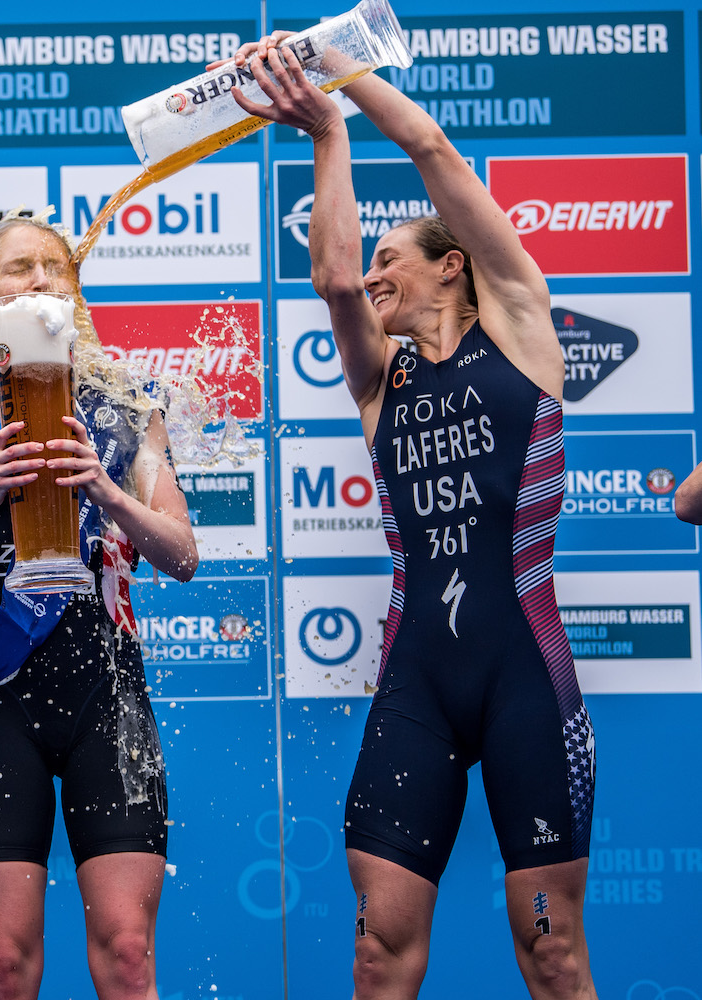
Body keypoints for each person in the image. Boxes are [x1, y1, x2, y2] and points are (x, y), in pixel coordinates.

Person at [227, 37, 599, 999]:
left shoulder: (519, 320)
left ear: (454, 270)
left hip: (526, 674)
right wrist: (325, 135)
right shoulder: (378, 382)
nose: (377, 273)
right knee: (377, 953)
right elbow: (336, 282)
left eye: (396, 258)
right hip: (416, 685)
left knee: (551, 952)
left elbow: (431, 143)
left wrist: (341, 70)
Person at [0, 215, 199, 1000]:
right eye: (20, 269)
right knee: (3, 965)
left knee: (128, 954)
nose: (41, 282)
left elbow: (182, 556)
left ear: (75, 294)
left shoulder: (128, 404)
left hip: (110, 697)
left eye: (56, 269)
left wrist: (106, 489)